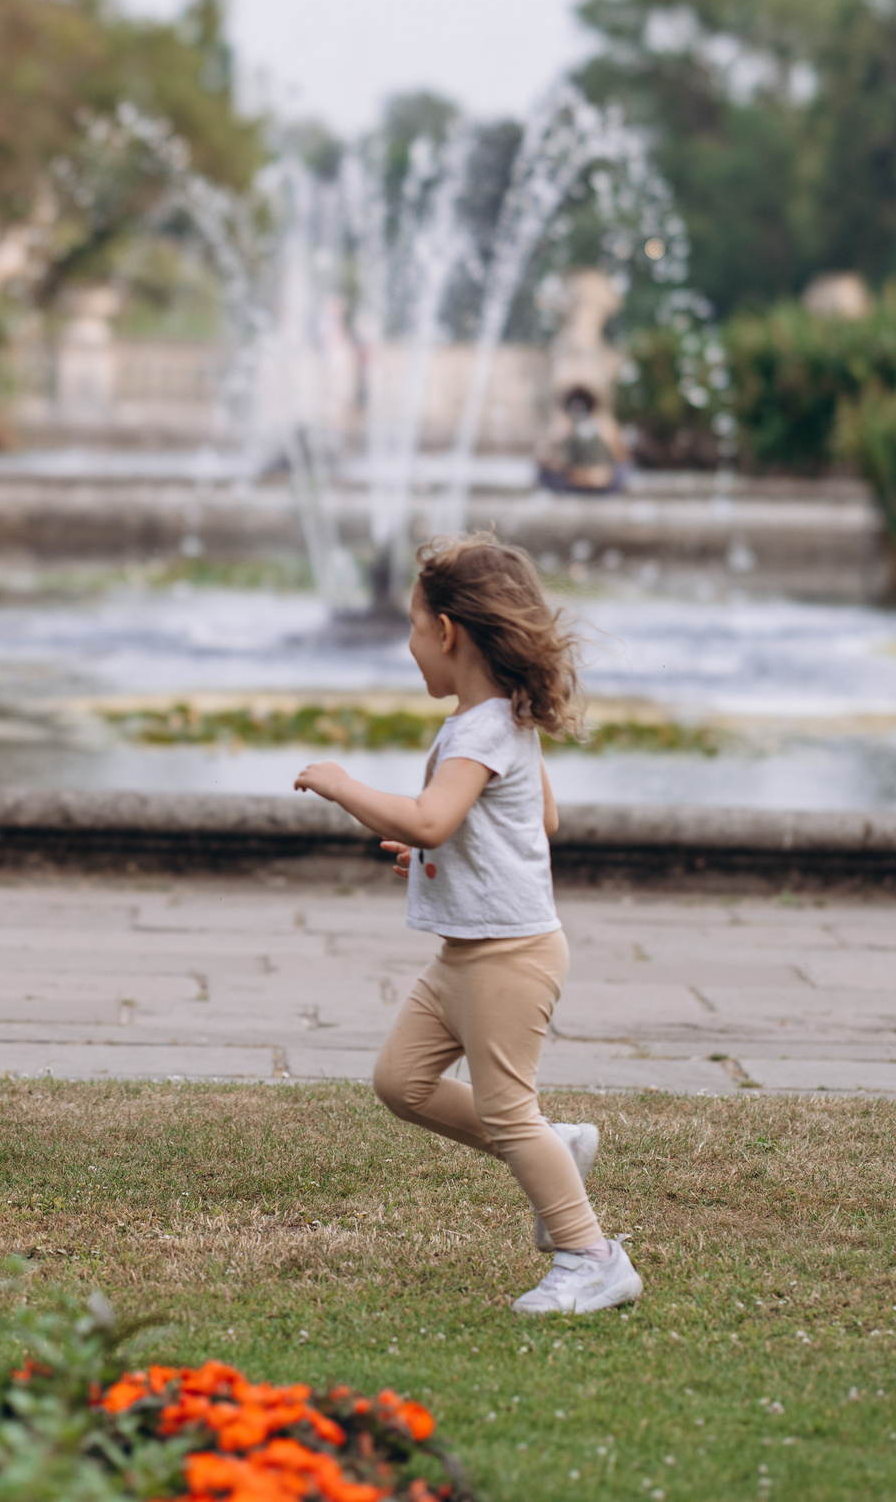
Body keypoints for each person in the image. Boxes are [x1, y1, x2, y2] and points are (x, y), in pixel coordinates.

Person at [292, 533, 642, 1316]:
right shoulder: (504, 720)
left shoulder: (481, 728)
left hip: (507, 960)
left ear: (448, 632)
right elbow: (536, 820)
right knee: (401, 1082)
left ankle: (592, 1257)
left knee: (507, 1113)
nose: (410, 647)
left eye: (414, 630)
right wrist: (440, 857)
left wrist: (346, 786)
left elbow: (430, 818)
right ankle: (562, 1149)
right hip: (468, 957)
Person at [535, 385, 627, 494]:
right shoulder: (561, 428)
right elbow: (544, 457)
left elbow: (620, 455)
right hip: (570, 476)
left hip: (599, 477)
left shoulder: (604, 428)